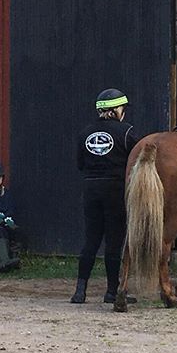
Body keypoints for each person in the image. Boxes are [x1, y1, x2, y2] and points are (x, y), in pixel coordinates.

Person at [70, 88, 139, 305]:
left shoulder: (85, 133)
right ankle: (111, 291)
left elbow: (80, 164)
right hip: (115, 191)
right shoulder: (127, 132)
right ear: (117, 109)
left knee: (91, 240)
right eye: (123, 108)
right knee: (113, 242)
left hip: (90, 190)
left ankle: (80, 291)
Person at [0, 161, 24, 258]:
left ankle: (14, 256)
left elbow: (11, 208)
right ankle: (3, 258)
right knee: (0, 232)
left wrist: (6, 217)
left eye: (0, 177)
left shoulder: (6, 193)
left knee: (17, 231)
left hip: (5, 219)